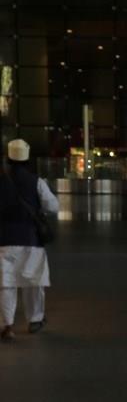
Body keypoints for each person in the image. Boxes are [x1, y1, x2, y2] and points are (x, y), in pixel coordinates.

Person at [0, 139, 59, 342]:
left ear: (8, 158)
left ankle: (7, 325)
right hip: (31, 240)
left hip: (4, 241)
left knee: (6, 284)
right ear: (27, 159)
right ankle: (35, 320)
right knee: (33, 282)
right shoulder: (37, 182)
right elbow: (53, 206)